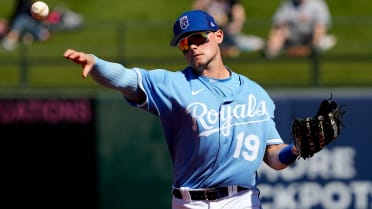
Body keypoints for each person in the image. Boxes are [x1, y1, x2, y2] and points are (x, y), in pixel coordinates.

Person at [64, 10, 301, 209]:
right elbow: (128, 79)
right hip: (190, 203)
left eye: (198, 38)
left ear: (218, 36)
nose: (193, 47)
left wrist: (296, 149)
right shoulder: (172, 85)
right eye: (185, 43)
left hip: (241, 200)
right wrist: (96, 64)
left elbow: (273, 156)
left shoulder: (255, 93)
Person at [264, 0, 337, 59]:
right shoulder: (288, 4)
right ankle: (272, 51)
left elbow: (321, 25)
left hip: (310, 37)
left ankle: (314, 50)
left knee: (319, 30)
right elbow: (277, 23)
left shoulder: (318, 4)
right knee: (279, 30)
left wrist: (315, 43)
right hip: (293, 37)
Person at [192, 0, 265, 58]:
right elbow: (195, 15)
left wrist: (234, 25)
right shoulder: (206, 2)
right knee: (233, 50)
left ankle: (263, 45)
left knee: (237, 46)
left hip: (227, 32)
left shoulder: (231, 2)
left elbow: (239, 16)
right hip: (209, 32)